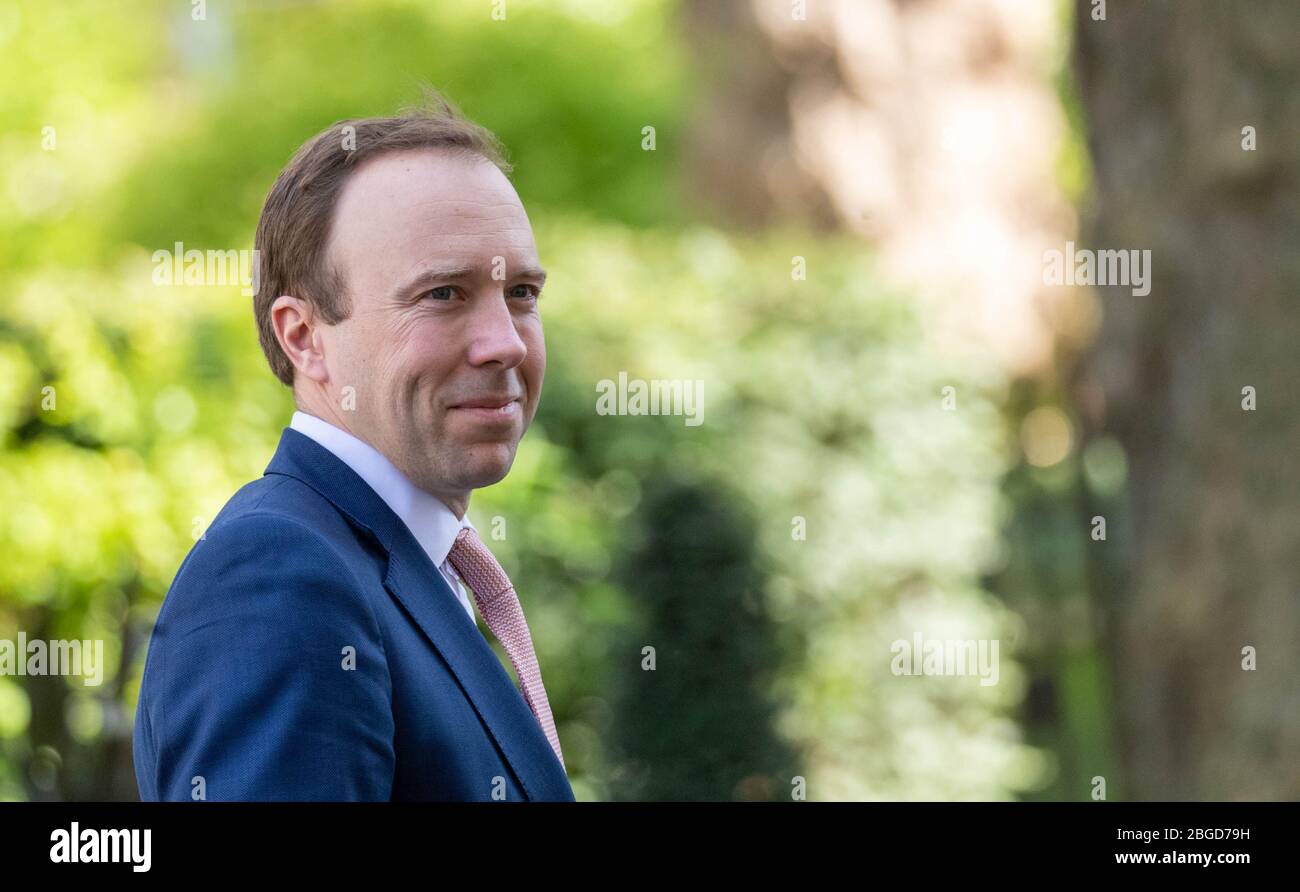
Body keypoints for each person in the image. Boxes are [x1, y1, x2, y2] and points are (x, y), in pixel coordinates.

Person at [133, 90, 573, 801]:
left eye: (521, 292)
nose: (506, 343)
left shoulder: (398, 564)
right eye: (443, 294)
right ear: (305, 337)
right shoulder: (279, 577)